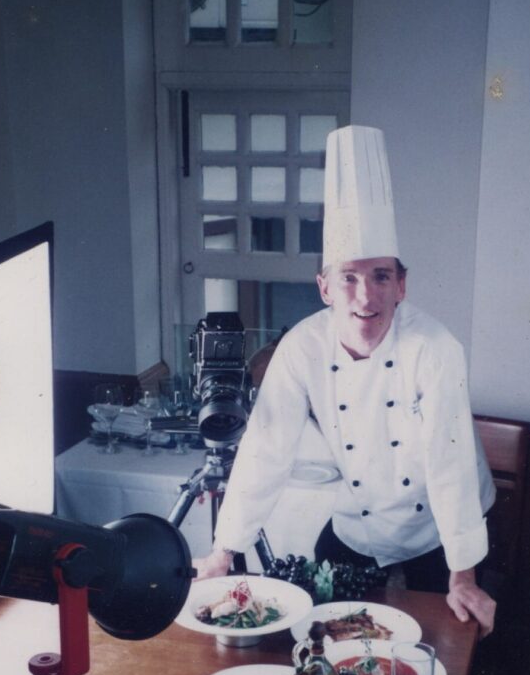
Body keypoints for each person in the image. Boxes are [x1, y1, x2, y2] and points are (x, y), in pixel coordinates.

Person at [193, 125, 497, 637]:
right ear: (324, 287)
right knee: (324, 647)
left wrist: (462, 574)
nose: (365, 297)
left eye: (380, 276)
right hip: (356, 527)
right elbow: (266, 450)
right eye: (349, 278)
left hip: (442, 531)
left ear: (401, 284)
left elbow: (451, 467)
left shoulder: (435, 349)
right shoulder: (301, 349)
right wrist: (224, 551)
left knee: (441, 654)